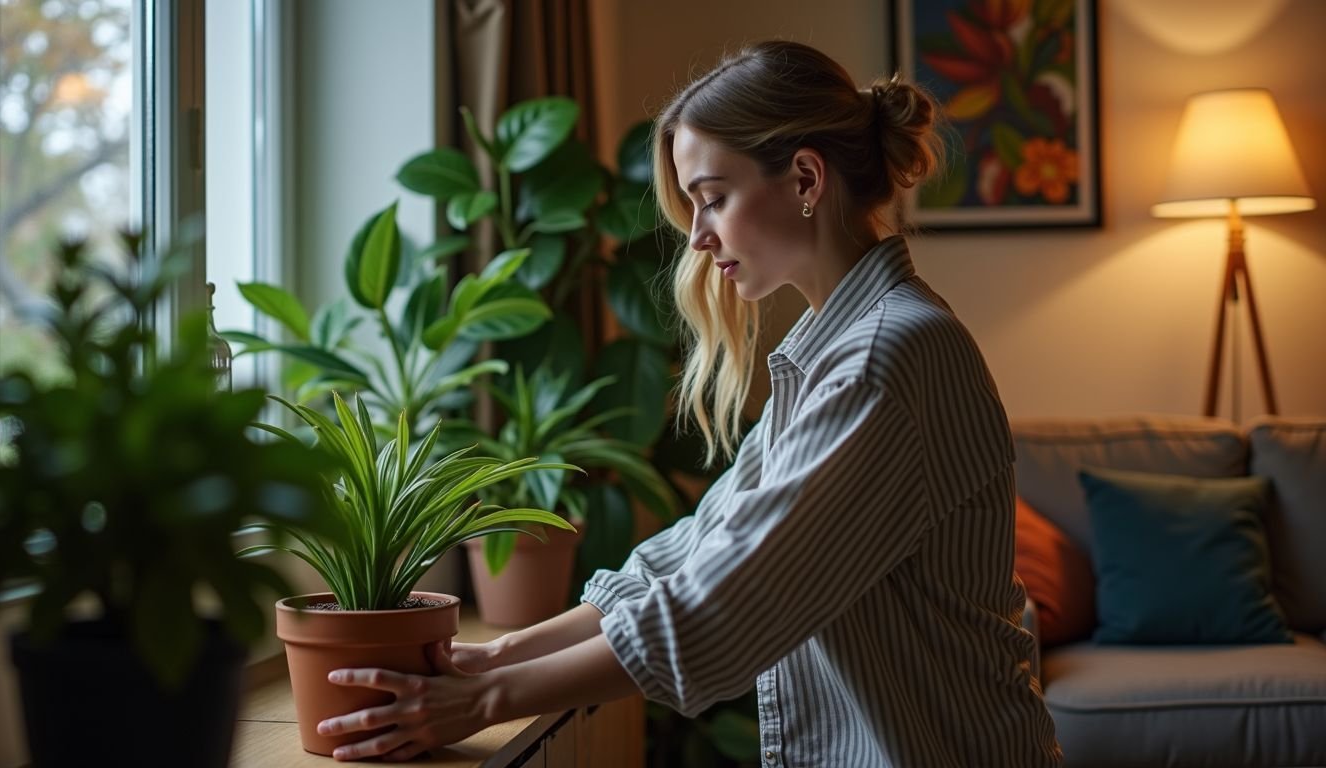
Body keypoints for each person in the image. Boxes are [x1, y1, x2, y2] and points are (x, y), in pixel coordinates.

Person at [316, 40, 1063, 766]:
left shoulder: (885, 357)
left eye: (712, 199)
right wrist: (497, 657)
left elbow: (729, 603)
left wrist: (480, 702)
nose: (698, 238)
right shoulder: (838, 346)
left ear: (806, 178)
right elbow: (698, 550)